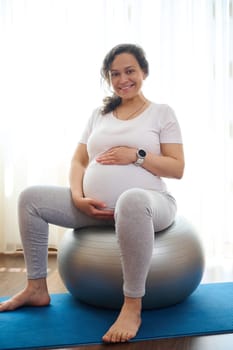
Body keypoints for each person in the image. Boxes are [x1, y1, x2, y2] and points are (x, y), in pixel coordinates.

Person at [0, 43, 185, 343]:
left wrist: (135, 156)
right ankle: (36, 288)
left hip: (150, 205)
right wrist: (77, 196)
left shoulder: (161, 113)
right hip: (96, 209)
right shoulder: (99, 115)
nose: (123, 79)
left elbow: (177, 168)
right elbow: (78, 161)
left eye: (130, 71)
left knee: (132, 199)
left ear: (144, 72)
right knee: (30, 198)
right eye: (115, 74)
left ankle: (132, 305)